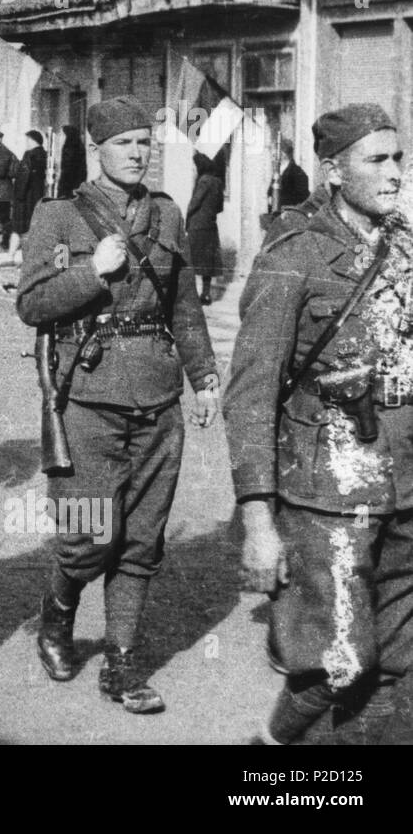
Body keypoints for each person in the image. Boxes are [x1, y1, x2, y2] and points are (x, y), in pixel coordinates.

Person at [16, 96, 220, 715]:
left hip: (158, 394)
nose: (137, 152)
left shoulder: (166, 213)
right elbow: (31, 304)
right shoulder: (59, 217)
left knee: (141, 538)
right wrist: (92, 274)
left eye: (144, 142)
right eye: (124, 143)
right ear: (97, 149)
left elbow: (182, 302)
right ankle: (57, 616)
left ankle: (123, 663)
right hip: (90, 395)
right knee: (85, 538)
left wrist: (204, 377)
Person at [225, 104, 413, 746]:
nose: (394, 174)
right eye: (377, 160)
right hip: (325, 488)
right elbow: (250, 393)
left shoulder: (406, 244)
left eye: (399, 158)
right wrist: (258, 519)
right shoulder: (294, 255)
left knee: (399, 667)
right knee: (337, 663)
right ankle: (269, 754)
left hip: (406, 485)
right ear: (333, 171)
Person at [186, 152, 224, 305]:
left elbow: (195, 203)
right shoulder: (217, 182)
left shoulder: (203, 181)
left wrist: (188, 215)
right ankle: (206, 294)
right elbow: (220, 207)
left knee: (192, 260)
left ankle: (192, 295)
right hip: (210, 225)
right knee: (207, 262)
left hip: (197, 225)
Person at [10, 130, 48, 262]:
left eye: (27, 141)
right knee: (33, 225)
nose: (26, 143)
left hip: (25, 197)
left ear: (32, 140)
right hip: (37, 196)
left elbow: (23, 177)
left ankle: (15, 255)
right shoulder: (44, 154)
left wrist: (18, 195)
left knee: (20, 227)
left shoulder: (29, 155)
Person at [271, 137, 312, 212]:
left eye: (274, 155)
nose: (272, 158)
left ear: (282, 153)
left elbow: (301, 200)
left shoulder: (298, 174)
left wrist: (278, 200)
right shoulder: (278, 172)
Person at [56, 124, 87, 199]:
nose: (59, 136)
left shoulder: (69, 148)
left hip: (69, 185)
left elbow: (67, 169)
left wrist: (61, 185)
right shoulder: (79, 146)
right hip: (77, 184)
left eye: (62, 134)